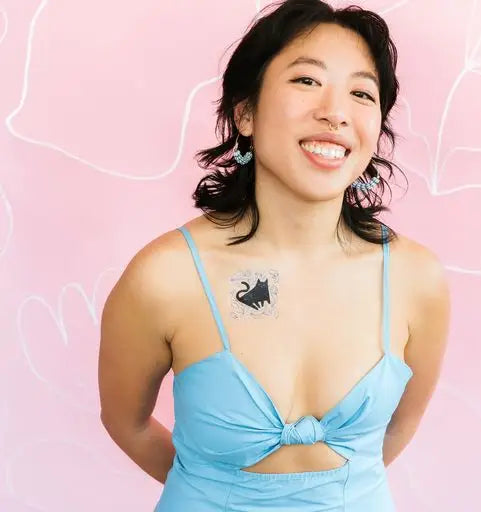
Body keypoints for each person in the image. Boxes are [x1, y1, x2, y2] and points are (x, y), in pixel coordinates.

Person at [98, 1, 451, 510]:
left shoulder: (416, 278)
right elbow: (126, 423)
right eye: (307, 80)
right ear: (245, 113)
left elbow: (399, 430)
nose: (336, 112)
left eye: (361, 93)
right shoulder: (165, 275)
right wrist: (218, 491)